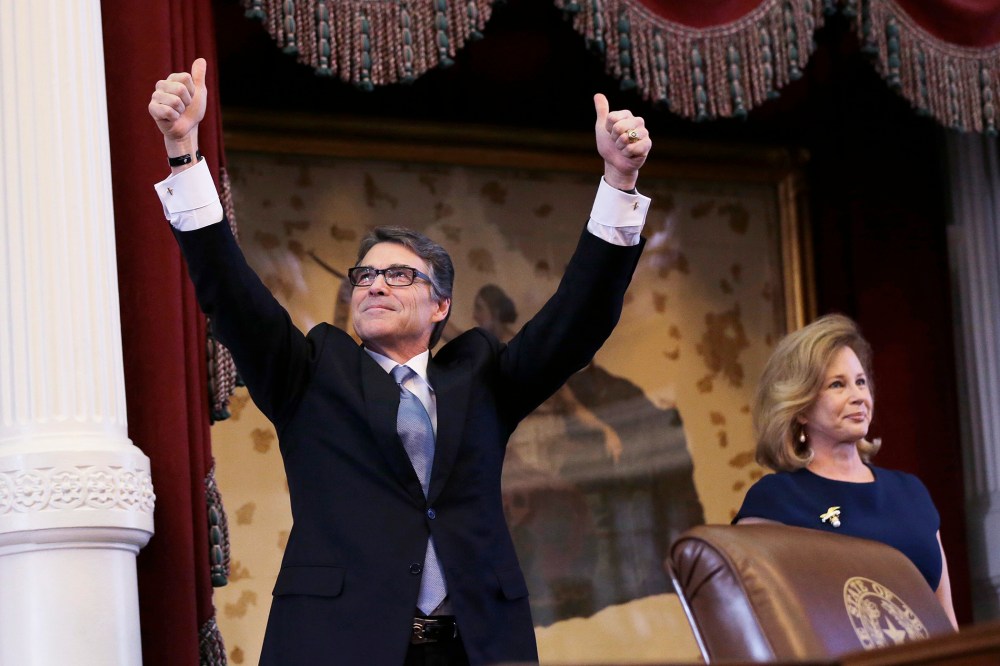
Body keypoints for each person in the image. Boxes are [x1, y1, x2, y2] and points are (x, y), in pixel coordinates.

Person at [148, 58, 651, 665]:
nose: (375, 285)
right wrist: (184, 154)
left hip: (474, 646)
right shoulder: (309, 374)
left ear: (441, 305)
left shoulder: (482, 377)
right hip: (340, 646)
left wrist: (619, 181)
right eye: (364, 276)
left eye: (399, 275)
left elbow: (577, 321)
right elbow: (231, 294)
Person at [733, 314, 958, 630]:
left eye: (861, 382)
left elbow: (946, 621)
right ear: (800, 407)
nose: (858, 397)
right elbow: (753, 623)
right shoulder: (775, 500)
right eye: (837, 385)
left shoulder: (912, 492)